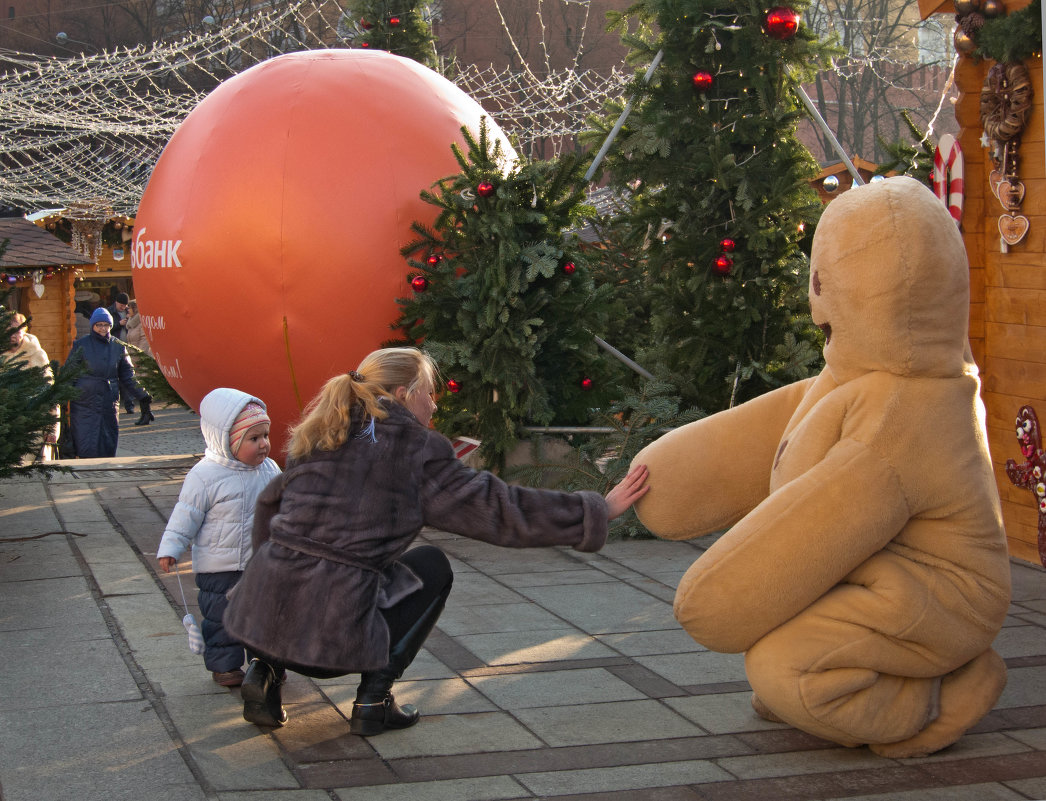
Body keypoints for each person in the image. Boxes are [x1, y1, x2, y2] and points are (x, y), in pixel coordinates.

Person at [223, 346, 649, 732]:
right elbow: (499, 509)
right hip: (332, 643)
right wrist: (596, 510)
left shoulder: (319, 434)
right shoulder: (415, 449)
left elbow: (268, 510)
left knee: (316, 562)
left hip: (257, 622)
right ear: (404, 393)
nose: (435, 402)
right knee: (431, 566)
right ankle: (374, 699)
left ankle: (265, 672)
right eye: (429, 391)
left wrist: (266, 592)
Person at [157, 389, 282, 686]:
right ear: (227, 440)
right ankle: (225, 666)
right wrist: (171, 548)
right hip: (219, 568)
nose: (264, 444)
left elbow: (285, 504)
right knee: (221, 617)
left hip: (260, 562)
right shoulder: (205, 476)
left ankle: (264, 666)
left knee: (262, 617)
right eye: (254, 439)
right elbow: (185, 514)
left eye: (266, 435)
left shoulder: (270, 469)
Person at [63, 307, 152, 458]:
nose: (103, 329)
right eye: (99, 325)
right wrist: (62, 397)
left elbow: (128, 376)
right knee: (86, 441)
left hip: (108, 400)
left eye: (106, 325)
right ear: (93, 326)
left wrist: (143, 396)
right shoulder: (81, 345)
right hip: (85, 401)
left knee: (108, 441)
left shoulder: (118, 346)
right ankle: (86, 471)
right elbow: (68, 373)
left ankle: (104, 471)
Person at [6, 312, 58, 461]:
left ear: (24, 330)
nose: (13, 335)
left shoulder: (37, 355)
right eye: (8, 330)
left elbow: (50, 391)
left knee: (31, 472)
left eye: (17, 330)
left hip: (32, 425)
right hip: (6, 426)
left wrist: (51, 428)